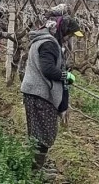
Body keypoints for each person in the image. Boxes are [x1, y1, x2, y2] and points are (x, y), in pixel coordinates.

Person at [20, 11, 83, 179]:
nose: (69, 38)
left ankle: (35, 168)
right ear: (62, 30)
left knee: (39, 133)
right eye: (69, 34)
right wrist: (65, 76)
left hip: (35, 92)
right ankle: (34, 172)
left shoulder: (47, 40)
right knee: (44, 134)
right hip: (39, 93)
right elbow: (47, 69)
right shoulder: (48, 44)